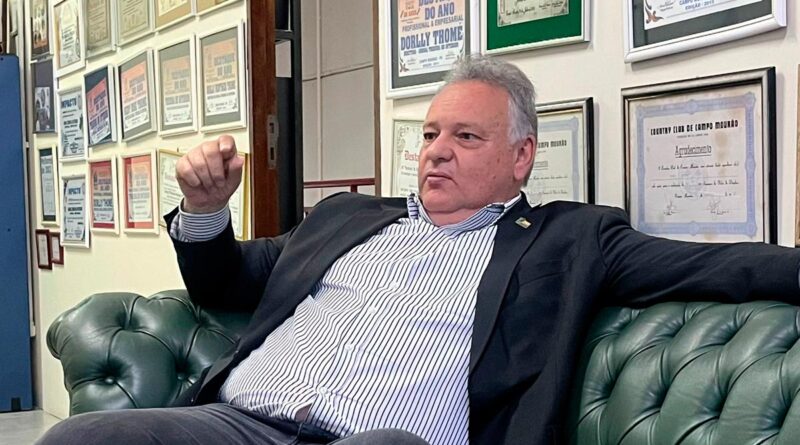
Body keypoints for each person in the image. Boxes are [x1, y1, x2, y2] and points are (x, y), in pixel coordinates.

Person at [39, 55, 800, 445]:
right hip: (242, 425)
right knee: (82, 437)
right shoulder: (345, 217)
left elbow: (716, 265)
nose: (436, 150)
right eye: (431, 133)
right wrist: (207, 212)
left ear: (522, 156)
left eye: (465, 136)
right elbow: (226, 284)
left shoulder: (569, 238)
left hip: (386, 440)